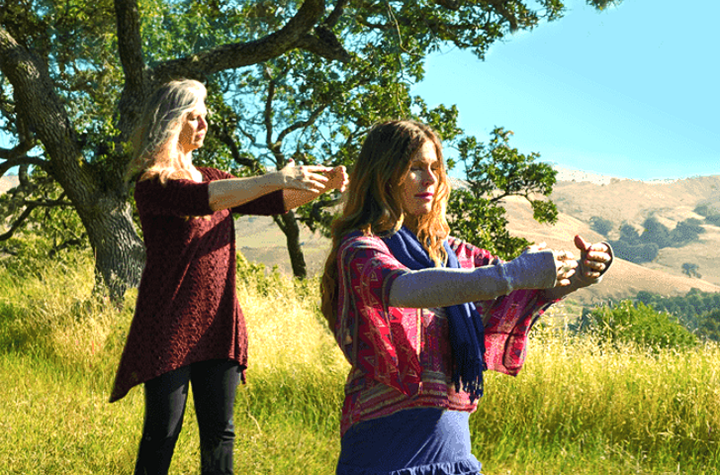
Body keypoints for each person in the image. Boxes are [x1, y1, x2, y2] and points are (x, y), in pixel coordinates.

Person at [320, 120, 612, 475]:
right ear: (383, 175)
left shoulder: (451, 254)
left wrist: (579, 274)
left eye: (435, 168)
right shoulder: (360, 249)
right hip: (385, 454)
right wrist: (515, 273)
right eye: (415, 168)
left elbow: (516, 293)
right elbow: (404, 287)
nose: (430, 179)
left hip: (455, 454)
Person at [110, 78, 348, 475]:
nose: (204, 125)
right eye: (194, 117)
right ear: (171, 121)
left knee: (220, 433)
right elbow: (205, 199)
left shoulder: (212, 175)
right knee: (162, 431)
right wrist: (277, 176)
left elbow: (273, 202)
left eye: (205, 117)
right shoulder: (153, 183)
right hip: (168, 323)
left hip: (219, 323)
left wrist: (321, 186)